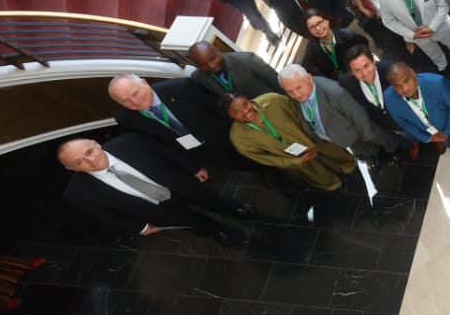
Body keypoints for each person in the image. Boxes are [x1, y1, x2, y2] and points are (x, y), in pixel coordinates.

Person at [58, 134, 253, 245]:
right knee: (190, 222)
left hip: (178, 184)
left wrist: (193, 168)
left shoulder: (128, 141)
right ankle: (216, 231)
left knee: (209, 198)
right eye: (79, 162)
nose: (91, 160)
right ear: (72, 169)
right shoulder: (77, 193)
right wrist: (139, 228)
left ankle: (233, 208)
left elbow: (165, 153)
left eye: (89, 151)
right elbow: (104, 216)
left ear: (96, 144)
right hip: (154, 208)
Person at [223, 91, 357, 190]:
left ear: (248, 100)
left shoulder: (273, 100)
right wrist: (296, 161)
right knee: (316, 174)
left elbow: (298, 113)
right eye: (236, 112)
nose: (246, 111)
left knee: (334, 154)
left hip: (310, 139)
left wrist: (311, 135)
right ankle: (332, 184)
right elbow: (266, 159)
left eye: (245, 104)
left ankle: (348, 165)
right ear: (230, 116)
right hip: (292, 159)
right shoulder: (239, 138)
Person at [108, 74, 236, 168]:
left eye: (135, 93)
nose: (135, 102)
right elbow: (159, 144)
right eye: (125, 101)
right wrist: (192, 167)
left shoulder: (182, 86)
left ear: (144, 82)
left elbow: (219, 108)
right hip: (201, 154)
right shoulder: (125, 118)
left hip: (229, 137)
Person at [278, 64, 399, 158]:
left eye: (299, 87)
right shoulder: (297, 93)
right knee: (368, 152)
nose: (296, 95)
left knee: (386, 145)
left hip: (359, 134)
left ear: (309, 78)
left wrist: (368, 136)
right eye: (290, 91)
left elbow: (359, 115)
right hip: (343, 137)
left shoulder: (335, 93)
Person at [384, 63, 450, 173]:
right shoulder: (389, 99)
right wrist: (427, 138)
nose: (405, 88)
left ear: (413, 73)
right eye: (397, 86)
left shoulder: (437, 82)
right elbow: (403, 123)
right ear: (392, 86)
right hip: (433, 133)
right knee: (449, 142)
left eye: (406, 80)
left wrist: (448, 131)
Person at [186, 41, 282, 100]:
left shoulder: (247, 59)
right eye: (203, 65)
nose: (211, 66)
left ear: (218, 51)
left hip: (273, 105)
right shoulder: (198, 78)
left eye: (212, 59)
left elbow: (278, 83)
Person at [299, 10, 368, 79]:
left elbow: (364, 50)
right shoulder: (312, 47)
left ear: (327, 21)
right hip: (336, 82)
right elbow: (311, 69)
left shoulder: (347, 36)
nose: (318, 28)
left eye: (319, 23)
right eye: (312, 27)